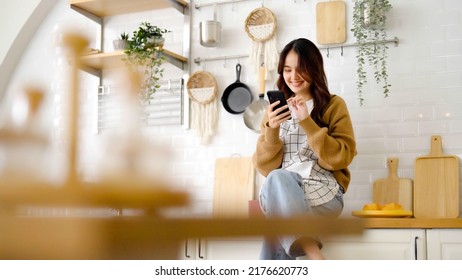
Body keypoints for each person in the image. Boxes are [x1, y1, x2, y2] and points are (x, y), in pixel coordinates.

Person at [252, 38, 357, 260]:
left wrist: (307, 122)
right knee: (277, 179)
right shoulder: (274, 112)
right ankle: (312, 253)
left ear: (314, 69)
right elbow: (264, 167)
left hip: (324, 195)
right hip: (283, 195)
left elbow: (341, 157)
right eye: (288, 70)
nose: (293, 76)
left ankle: (310, 252)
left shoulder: (333, 106)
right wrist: (271, 129)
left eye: (301, 69)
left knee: (275, 221)